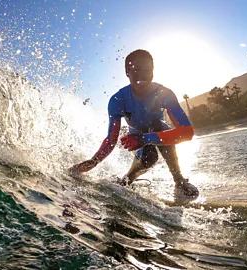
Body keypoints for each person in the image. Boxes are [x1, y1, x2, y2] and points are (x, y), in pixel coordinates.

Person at [70, 49, 199, 196]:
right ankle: (127, 180)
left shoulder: (164, 93)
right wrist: (94, 161)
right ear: (127, 72)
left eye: (147, 70)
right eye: (136, 70)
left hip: (157, 134)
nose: (142, 76)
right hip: (135, 141)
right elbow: (111, 140)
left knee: (158, 125)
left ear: (153, 71)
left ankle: (179, 181)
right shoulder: (117, 100)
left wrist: (144, 139)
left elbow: (187, 132)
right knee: (150, 157)